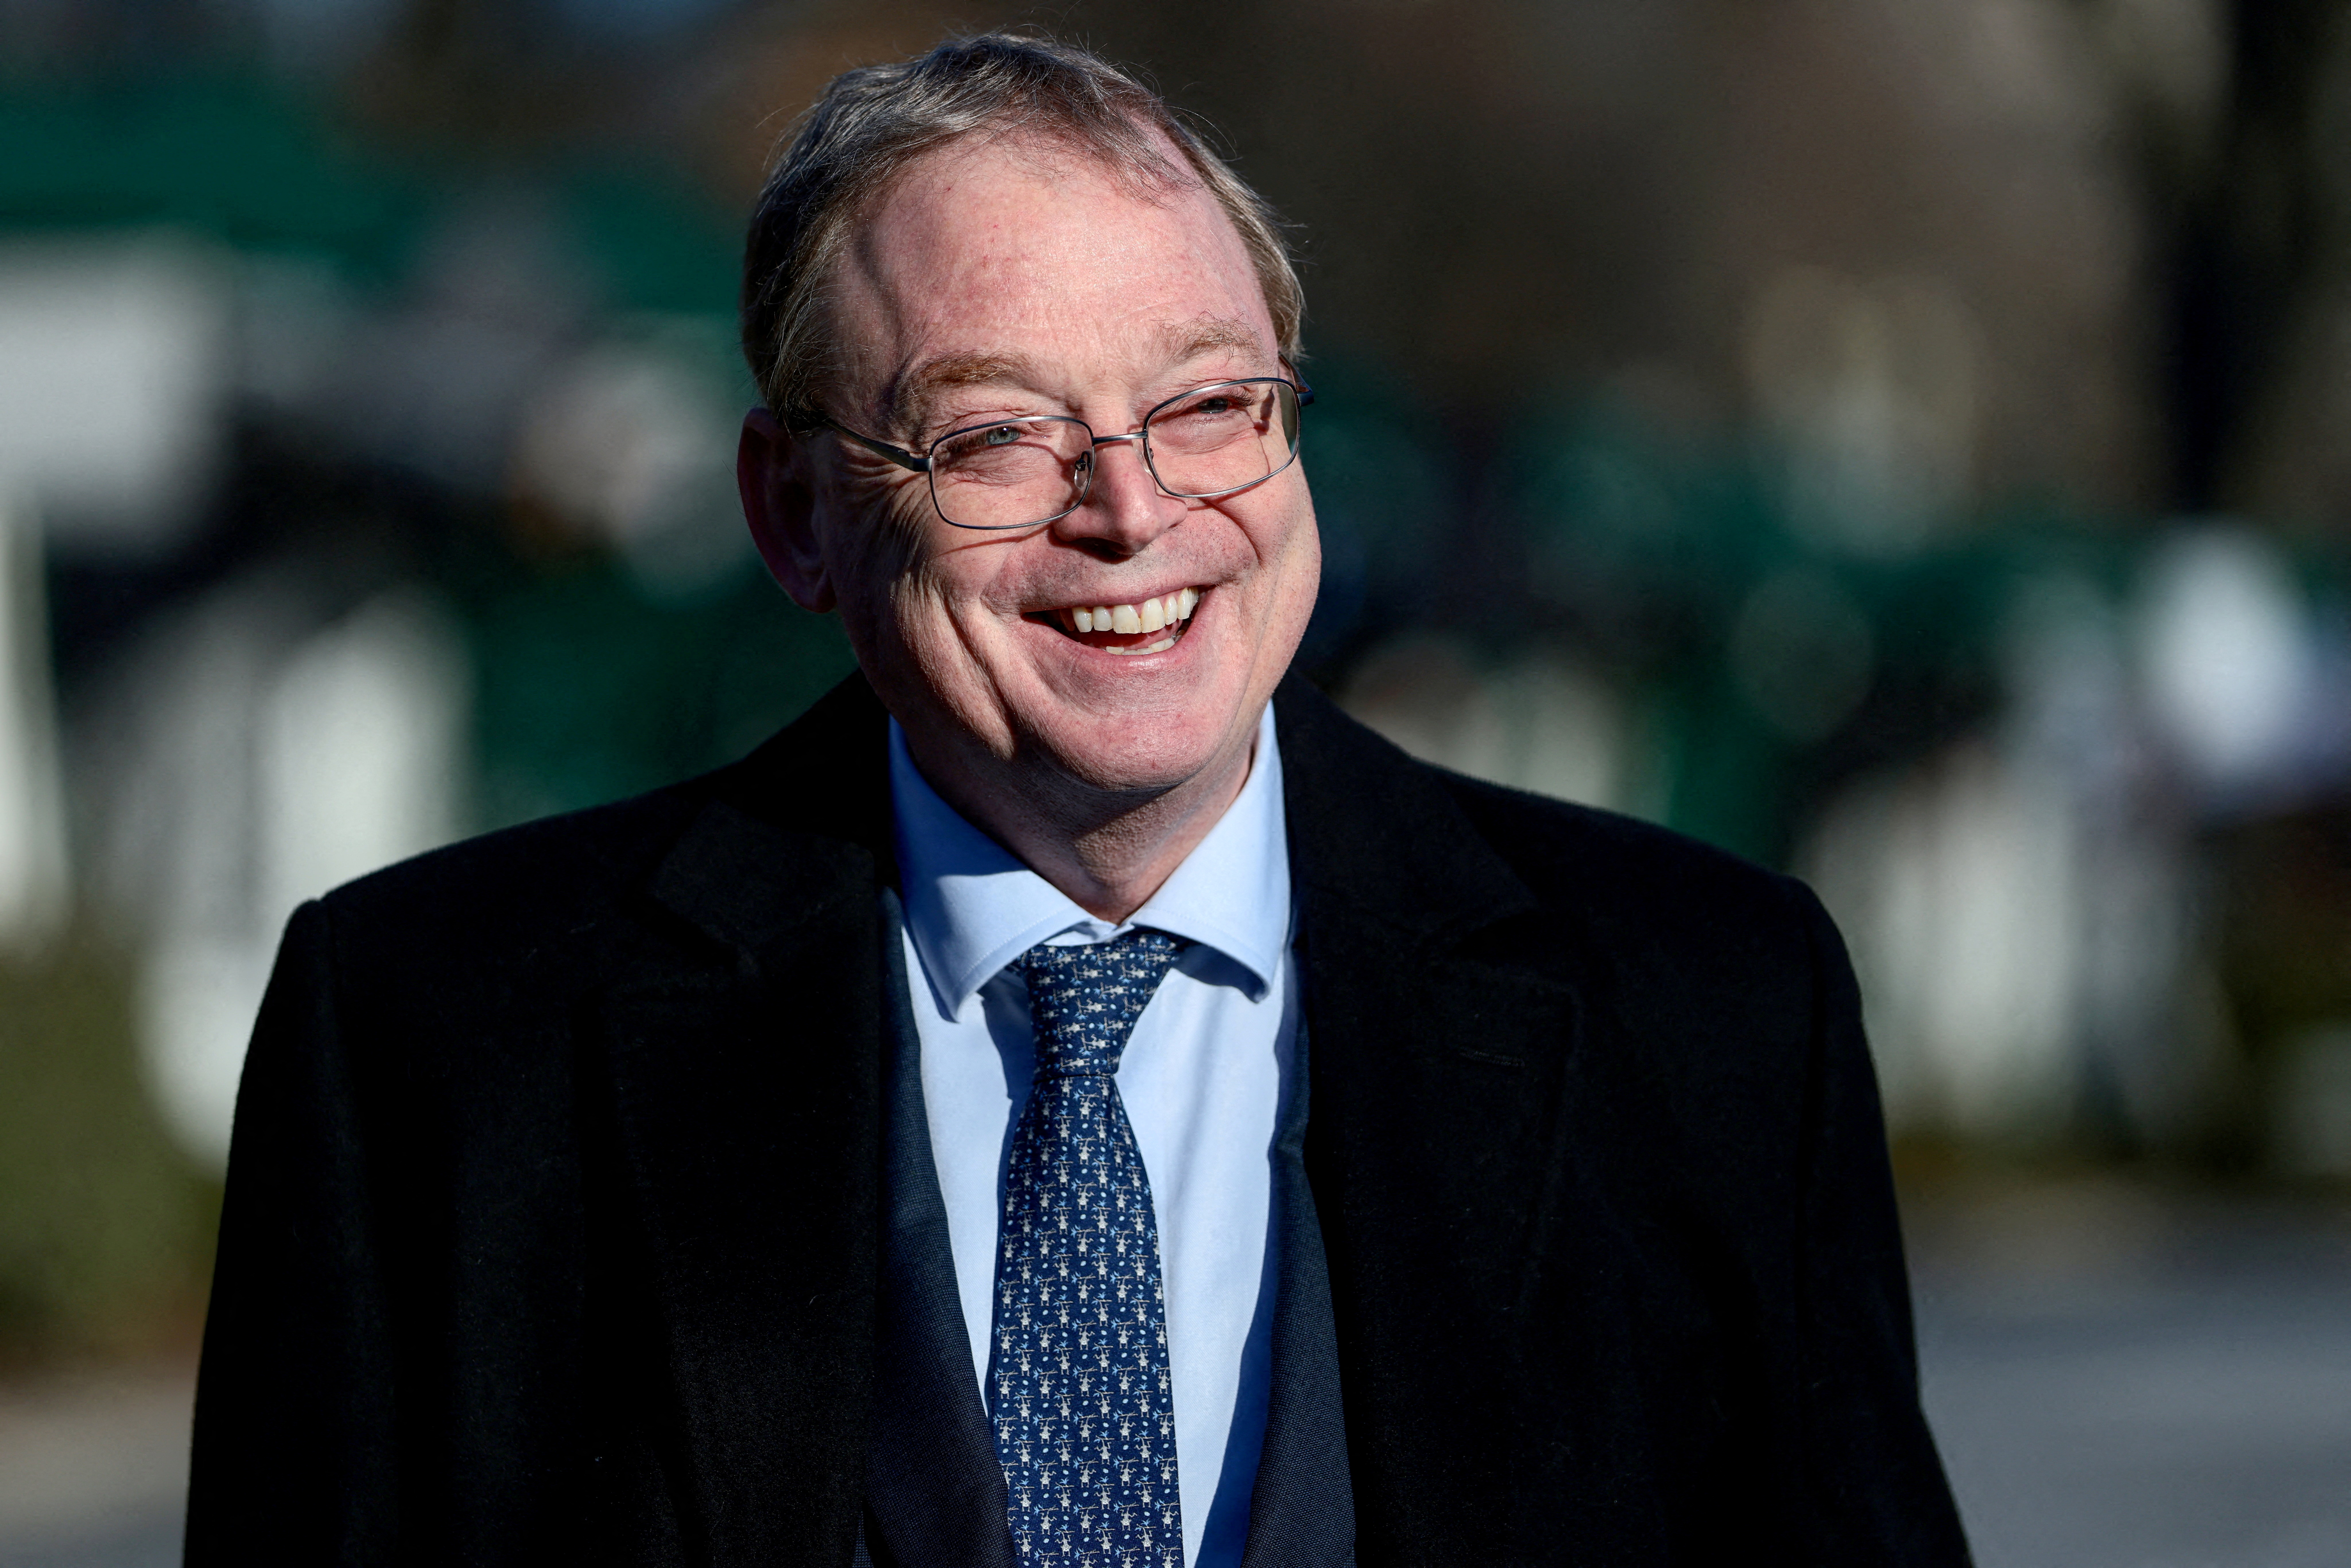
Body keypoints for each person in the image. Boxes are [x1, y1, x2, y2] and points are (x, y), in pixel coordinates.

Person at [185, 31, 1970, 1568]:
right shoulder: (436, 1052)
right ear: (795, 512)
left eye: (1208, 405)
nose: (1132, 508)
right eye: (996, 435)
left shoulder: (1713, 1015)